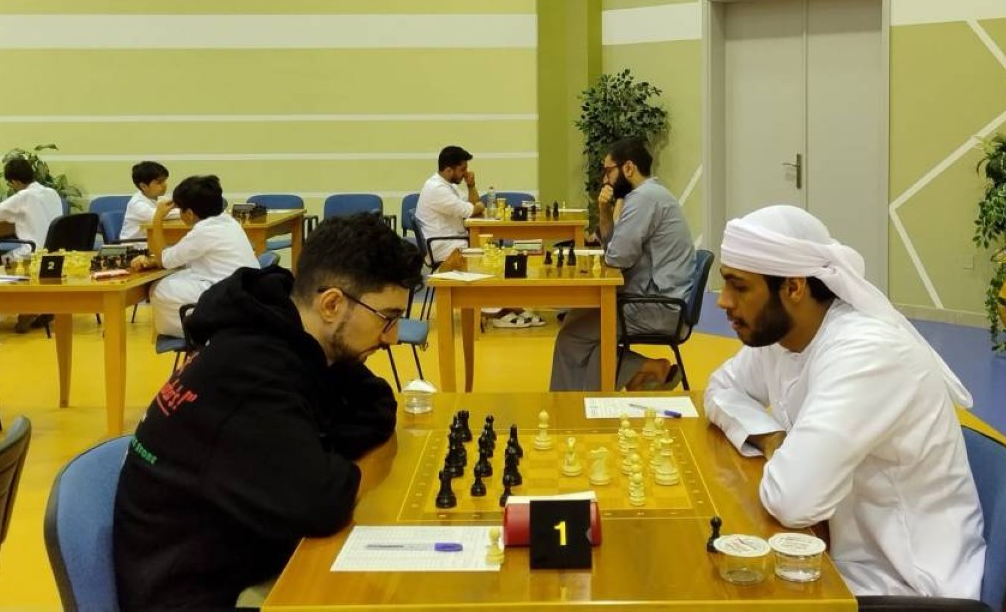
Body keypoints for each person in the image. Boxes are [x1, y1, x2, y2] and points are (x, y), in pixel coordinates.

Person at [114, 212, 422, 610]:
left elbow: (376, 404)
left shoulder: (294, 333)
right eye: (387, 318)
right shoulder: (248, 372)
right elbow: (323, 503)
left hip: (248, 557)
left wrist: (332, 464)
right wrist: (345, 471)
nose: (392, 337)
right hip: (197, 593)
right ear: (331, 304)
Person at [704, 205, 984, 600]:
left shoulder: (866, 353)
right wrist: (772, 439)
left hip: (903, 585)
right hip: (833, 554)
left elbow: (792, 500)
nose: (724, 301)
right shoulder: (783, 333)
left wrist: (785, 457)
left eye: (739, 287)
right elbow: (720, 389)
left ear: (794, 287)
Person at [550, 138, 695, 391]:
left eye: (608, 171)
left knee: (572, 336)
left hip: (658, 308)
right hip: (654, 300)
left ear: (628, 168)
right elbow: (615, 247)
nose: (605, 180)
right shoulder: (649, 195)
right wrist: (604, 210)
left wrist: (606, 250)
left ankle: (570, 406)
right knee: (578, 320)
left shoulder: (644, 199)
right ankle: (641, 371)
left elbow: (617, 257)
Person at [415, 145, 538, 327]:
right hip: (442, 246)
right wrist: (477, 207)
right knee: (489, 257)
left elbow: (475, 206)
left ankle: (507, 306)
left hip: (454, 240)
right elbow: (473, 209)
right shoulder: (436, 189)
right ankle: (495, 312)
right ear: (448, 170)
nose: (466, 173)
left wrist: (471, 185)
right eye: (462, 169)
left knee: (493, 253)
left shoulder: (449, 186)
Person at [129, 175, 258, 337]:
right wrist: (154, 261)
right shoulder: (229, 221)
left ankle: (197, 331)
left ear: (189, 213)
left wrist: (157, 220)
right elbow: (181, 259)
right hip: (247, 289)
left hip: (228, 292)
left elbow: (165, 260)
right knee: (180, 274)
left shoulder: (203, 231)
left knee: (159, 288)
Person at [0, 157, 64, 333]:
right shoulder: (52, 193)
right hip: (55, 256)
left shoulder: (24, 196)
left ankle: (22, 309)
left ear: (15, 181)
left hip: (30, 255)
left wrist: (14, 215)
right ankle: (40, 306)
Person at [120, 160, 170, 240]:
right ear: (143, 186)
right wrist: (183, 211)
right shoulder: (137, 204)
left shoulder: (160, 198)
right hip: (134, 245)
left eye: (164, 181)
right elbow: (160, 215)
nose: (164, 185)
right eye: (159, 182)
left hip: (149, 242)